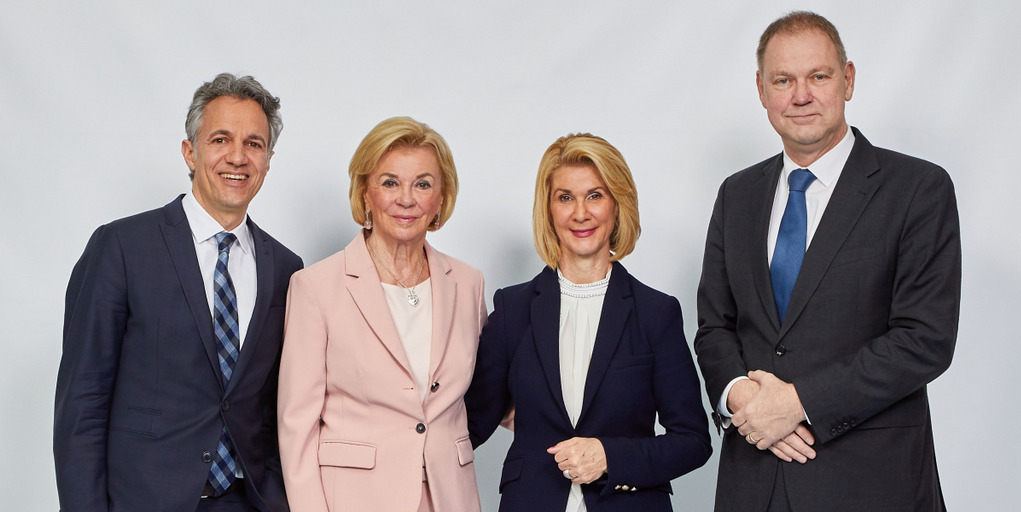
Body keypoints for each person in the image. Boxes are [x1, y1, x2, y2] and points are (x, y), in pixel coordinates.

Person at [694, 11, 961, 512]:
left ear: (848, 79)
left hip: (871, 483)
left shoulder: (917, 190)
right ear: (761, 89)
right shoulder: (737, 195)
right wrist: (741, 399)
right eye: (783, 80)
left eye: (818, 76)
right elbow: (715, 327)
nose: (801, 95)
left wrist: (797, 404)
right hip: (754, 481)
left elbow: (924, 339)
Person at [54, 73, 302, 512]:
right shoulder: (121, 248)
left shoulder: (286, 269)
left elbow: (276, 407)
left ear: (268, 160)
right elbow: (82, 405)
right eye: (221, 139)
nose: (238, 157)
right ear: (190, 151)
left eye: (254, 144)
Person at [467, 133, 712, 511]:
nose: (581, 212)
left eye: (595, 195)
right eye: (565, 197)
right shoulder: (513, 310)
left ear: (617, 204)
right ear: (548, 210)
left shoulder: (656, 313)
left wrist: (610, 456)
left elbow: (693, 440)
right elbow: (468, 425)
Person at [277, 116, 485, 512]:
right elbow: (296, 427)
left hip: (450, 498)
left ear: (441, 198)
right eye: (390, 182)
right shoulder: (316, 287)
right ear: (365, 193)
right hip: (356, 501)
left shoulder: (468, 283)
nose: (406, 198)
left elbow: (485, 395)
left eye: (423, 184)